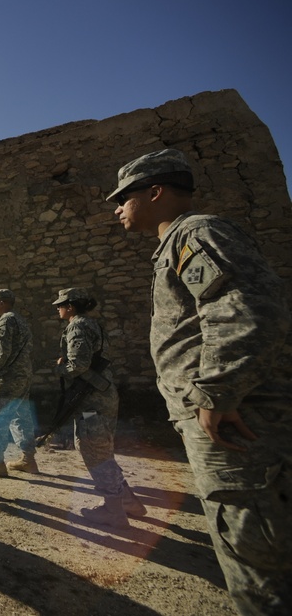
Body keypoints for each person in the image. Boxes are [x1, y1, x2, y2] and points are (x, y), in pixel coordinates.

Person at [110, 148, 291, 615]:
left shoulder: (195, 233)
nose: (117, 208)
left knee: (256, 558)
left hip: (235, 420)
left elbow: (248, 307)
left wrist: (216, 390)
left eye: (123, 197)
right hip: (226, 416)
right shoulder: (175, 245)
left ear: (154, 192)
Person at [51, 288, 146, 528]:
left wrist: (61, 367)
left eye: (61, 304)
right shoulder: (94, 325)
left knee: (94, 451)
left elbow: (79, 364)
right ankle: (128, 502)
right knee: (103, 450)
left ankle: (114, 511)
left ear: (71, 306)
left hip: (91, 400)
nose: (58, 308)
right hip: (103, 395)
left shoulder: (77, 326)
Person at [0, 289, 38, 474]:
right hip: (23, 375)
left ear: (3, 302)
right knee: (21, 416)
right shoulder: (22, 322)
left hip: (8, 377)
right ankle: (28, 459)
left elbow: (1, 352)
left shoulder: (6, 321)